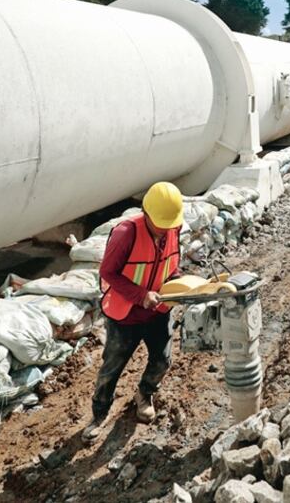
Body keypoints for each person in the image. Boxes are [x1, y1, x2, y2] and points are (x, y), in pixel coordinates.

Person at [84, 181, 184, 442]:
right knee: (112, 367)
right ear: (147, 213)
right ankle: (99, 413)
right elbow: (108, 272)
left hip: (159, 310)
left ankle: (145, 393)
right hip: (125, 315)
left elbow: (173, 264)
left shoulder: (173, 227)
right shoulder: (126, 232)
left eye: (169, 224)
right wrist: (141, 296)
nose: (165, 229)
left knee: (162, 360)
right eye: (160, 223)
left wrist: (181, 285)